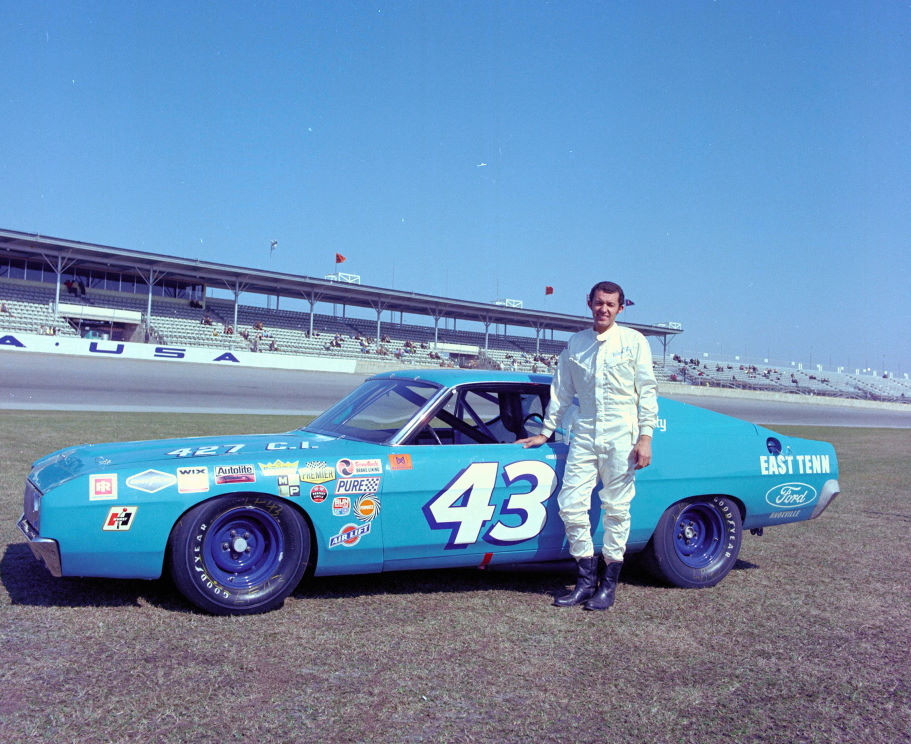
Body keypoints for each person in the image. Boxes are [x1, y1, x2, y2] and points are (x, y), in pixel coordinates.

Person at [517, 280, 658, 611]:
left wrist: (646, 436)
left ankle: (607, 586)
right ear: (589, 303)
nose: (604, 309)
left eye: (610, 304)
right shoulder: (576, 343)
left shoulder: (634, 341)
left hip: (623, 432)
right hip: (586, 430)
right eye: (598, 303)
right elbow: (562, 390)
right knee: (570, 504)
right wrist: (546, 430)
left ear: (621, 308)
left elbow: (647, 390)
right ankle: (584, 581)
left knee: (617, 510)